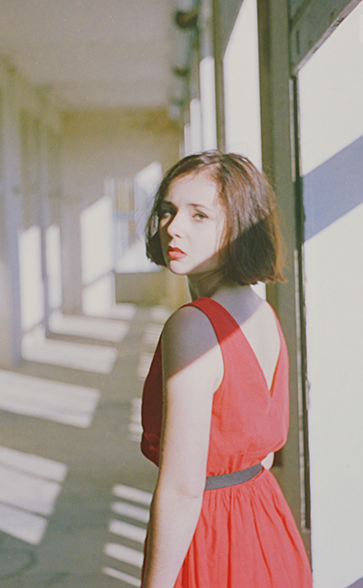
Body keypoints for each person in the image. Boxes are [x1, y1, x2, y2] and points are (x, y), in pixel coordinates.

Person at [140, 151, 312, 588]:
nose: (173, 228)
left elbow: (182, 489)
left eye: (199, 216)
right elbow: (264, 451)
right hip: (267, 526)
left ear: (239, 225)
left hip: (214, 537)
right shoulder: (260, 312)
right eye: (168, 210)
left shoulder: (194, 325)